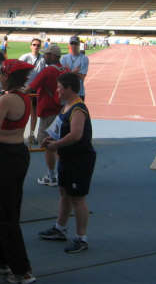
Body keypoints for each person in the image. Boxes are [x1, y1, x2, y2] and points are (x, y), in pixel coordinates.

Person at [0, 60, 35, 284]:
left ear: (7, 76)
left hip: (4, 157)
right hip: (20, 154)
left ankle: (21, 270)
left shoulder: (6, 99)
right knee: (10, 207)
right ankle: (0, 259)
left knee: (5, 214)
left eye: (1, 73)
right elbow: (17, 130)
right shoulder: (25, 97)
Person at [38, 72, 96, 254]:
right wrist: (49, 139)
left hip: (79, 160)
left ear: (70, 89)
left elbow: (76, 135)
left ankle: (81, 238)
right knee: (64, 193)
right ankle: (60, 228)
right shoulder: (66, 107)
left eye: (60, 88)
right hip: (67, 158)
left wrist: (56, 145)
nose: (57, 91)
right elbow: (57, 129)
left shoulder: (78, 109)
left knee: (78, 199)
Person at [26, 44, 69, 186]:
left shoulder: (48, 71)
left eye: (47, 54)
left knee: (48, 145)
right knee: (60, 144)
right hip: (63, 111)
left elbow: (31, 87)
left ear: (53, 56)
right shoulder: (66, 70)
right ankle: (63, 173)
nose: (44, 56)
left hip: (49, 112)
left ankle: (51, 176)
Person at [19, 38, 46, 144]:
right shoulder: (25, 57)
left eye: (38, 45)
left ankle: (31, 134)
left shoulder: (43, 59)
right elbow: (17, 69)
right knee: (22, 112)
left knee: (34, 113)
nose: (36, 47)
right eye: (34, 45)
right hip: (25, 89)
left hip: (36, 89)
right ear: (30, 46)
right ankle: (19, 134)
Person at [61, 36, 89, 101]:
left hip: (79, 93)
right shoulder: (64, 58)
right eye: (72, 43)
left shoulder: (84, 58)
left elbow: (82, 77)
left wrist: (68, 72)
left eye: (75, 43)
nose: (73, 45)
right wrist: (74, 72)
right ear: (69, 45)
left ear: (79, 45)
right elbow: (62, 76)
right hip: (66, 92)